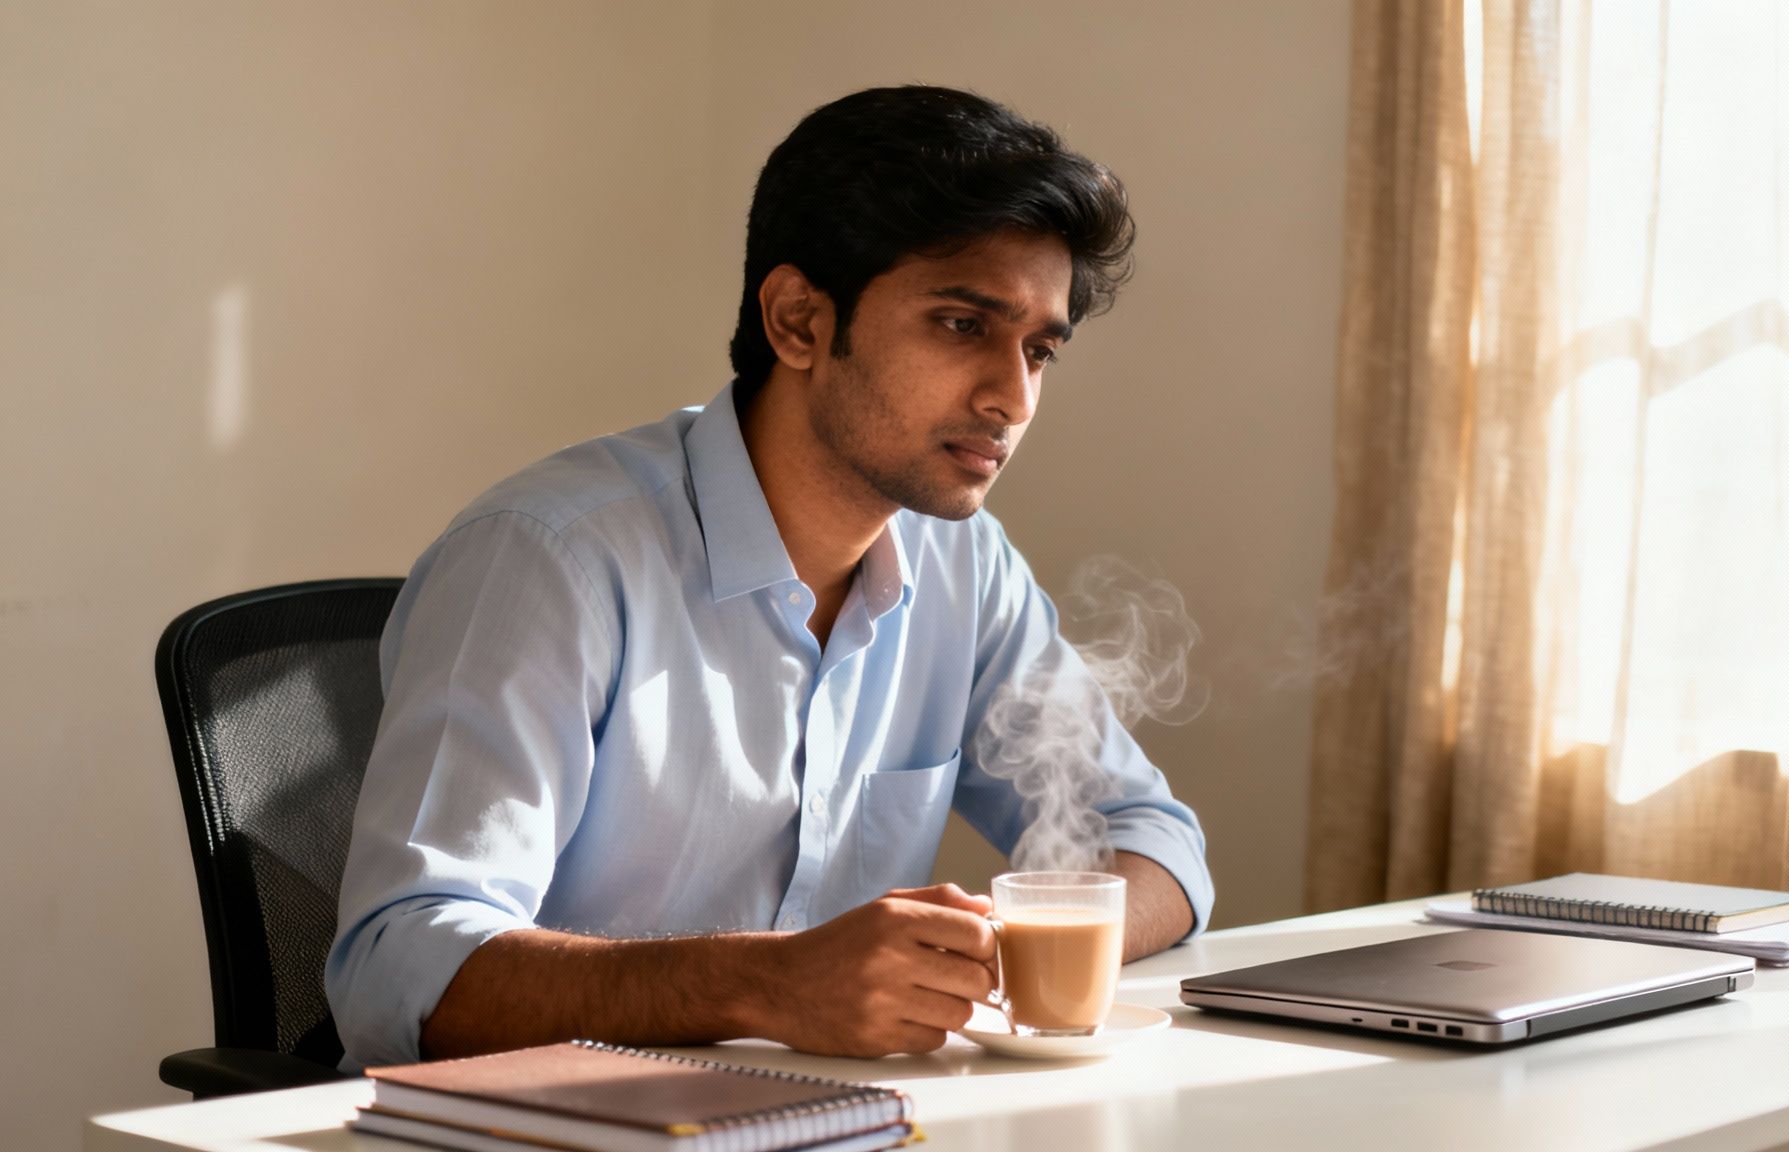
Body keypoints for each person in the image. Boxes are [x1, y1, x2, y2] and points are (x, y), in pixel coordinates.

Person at [325, 85, 1213, 1069]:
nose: (1012, 397)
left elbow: (1151, 844)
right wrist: (767, 981)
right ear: (796, 320)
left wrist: (991, 959)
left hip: (816, 1118)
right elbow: (395, 969)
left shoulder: (964, 563)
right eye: (962, 326)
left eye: (1039, 348)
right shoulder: (549, 559)